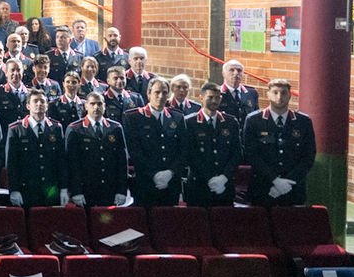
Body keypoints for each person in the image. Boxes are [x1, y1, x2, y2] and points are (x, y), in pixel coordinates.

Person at [243, 78, 315, 206]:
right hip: (263, 188)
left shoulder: (303, 122)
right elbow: (251, 154)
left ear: (290, 95)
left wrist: (288, 181)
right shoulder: (254, 120)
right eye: (275, 92)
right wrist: (275, 180)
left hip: (293, 189)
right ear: (268, 94)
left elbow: (308, 156)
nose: (279, 97)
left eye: (284, 93)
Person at [122, 77, 185, 207]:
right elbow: (134, 150)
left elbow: (183, 149)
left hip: (171, 183)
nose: (161, 96)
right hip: (146, 182)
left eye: (164, 92)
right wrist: (154, 174)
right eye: (157, 92)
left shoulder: (177, 117)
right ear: (149, 93)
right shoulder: (133, 117)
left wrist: (170, 172)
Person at [64, 92, 128, 208]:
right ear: (86, 106)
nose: (96, 107)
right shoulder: (75, 129)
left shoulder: (115, 128)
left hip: (110, 189)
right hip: (86, 190)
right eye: (92, 104)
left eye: (99, 104)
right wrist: (76, 191)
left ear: (104, 106)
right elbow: (72, 164)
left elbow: (122, 162)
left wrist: (122, 190)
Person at [4, 91, 68, 207]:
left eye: (42, 101)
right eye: (35, 101)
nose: (39, 104)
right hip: (26, 189)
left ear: (47, 106)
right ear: (28, 106)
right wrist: (14, 190)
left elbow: (62, 161)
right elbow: (12, 163)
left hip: (51, 189)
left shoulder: (56, 128)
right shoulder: (16, 129)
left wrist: (64, 188)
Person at [183, 82, 241, 206]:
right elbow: (190, 154)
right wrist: (209, 178)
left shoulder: (231, 122)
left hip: (224, 186)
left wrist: (224, 177)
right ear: (201, 97)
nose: (214, 101)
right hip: (199, 186)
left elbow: (236, 153)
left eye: (217, 97)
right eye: (210, 97)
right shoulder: (190, 122)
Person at [0, 59, 29, 125]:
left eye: (18, 70)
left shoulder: (30, 94)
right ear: (6, 73)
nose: (16, 73)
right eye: (12, 70)